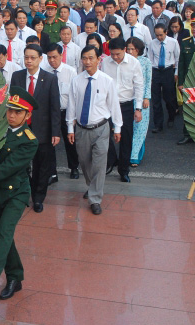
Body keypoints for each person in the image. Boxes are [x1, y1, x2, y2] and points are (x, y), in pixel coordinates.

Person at [0, 86, 39, 300]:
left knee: (4, 231)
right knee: (5, 237)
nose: (11, 115)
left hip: (16, 193)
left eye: (18, 112)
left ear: (27, 115)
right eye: (10, 110)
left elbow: (7, 168)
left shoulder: (29, 140)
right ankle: (15, 277)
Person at [67, 45, 122, 215]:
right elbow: (71, 105)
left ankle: (95, 198)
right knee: (84, 162)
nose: (88, 61)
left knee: (99, 164)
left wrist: (117, 127)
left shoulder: (107, 81)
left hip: (101, 128)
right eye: (85, 58)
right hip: (82, 129)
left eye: (91, 58)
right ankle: (92, 187)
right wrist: (70, 127)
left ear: (99, 60)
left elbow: (114, 105)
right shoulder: (76, 81)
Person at [10, 44, 60, 213]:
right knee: (21, 164)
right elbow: (12, 104)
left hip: (42, 131)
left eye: (32, 58)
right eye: (26, 57)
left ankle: (38, 198)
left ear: (40, 59)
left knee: (41, 166)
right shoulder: (17, 77)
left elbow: (55, 107)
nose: (29, 61)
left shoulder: (50, 79)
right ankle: (22, 194)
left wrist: (55, 132)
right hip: (21, 129)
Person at [101, 37, 144, 182]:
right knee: (104, 134)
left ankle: (124, 170)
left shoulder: (134, 63)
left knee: (126, 137)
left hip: (126, 104)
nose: (114, 57)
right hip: (108, 104)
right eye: (112, 54)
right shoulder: (105, 62)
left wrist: (138, 108)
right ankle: (111, 160)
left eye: (117, 54)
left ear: (124, 50)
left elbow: (139, 86)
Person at [42, 44, 79, 179]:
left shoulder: (71, 71)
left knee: (70, 141)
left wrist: (73, 116)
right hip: (50, 113)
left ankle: (74, 167)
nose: (52, 60)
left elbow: (74, 96)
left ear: (61, 56)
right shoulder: (44, 71)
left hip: (66, 112)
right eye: (49, 57)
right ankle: (52, 173)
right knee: (49, 144)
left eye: (55, 57)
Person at [177, 12, 195, 145]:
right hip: (189, 81)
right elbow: (182, 63)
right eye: (193, 26)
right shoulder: (186, 42)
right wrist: (181, 82)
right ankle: (187, 134)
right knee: (188, 109)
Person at [147, 23, 180, 133]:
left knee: (169, 97)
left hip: (168, 71)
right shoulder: (152, 43)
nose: (159, 37)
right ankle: (158, 124)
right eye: (157, 35)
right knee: (156, 100)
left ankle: (171, 115)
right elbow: (150, 59)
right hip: (156, 71)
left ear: (166, 32)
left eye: (161, 35)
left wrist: (176, 72)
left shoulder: (173, 42)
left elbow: (177, 58)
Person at [126, 37, 151, 166]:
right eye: (128, 49)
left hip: (142, 100)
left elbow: (148, 81)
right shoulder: (124, 62)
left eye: (133, 49)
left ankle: (134, 156)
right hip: (128, 98)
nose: (130, 51)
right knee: (129, 128)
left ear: (138, 50)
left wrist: (146, 97)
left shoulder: (145, 62)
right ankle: (129, 153)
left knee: (140, 128)